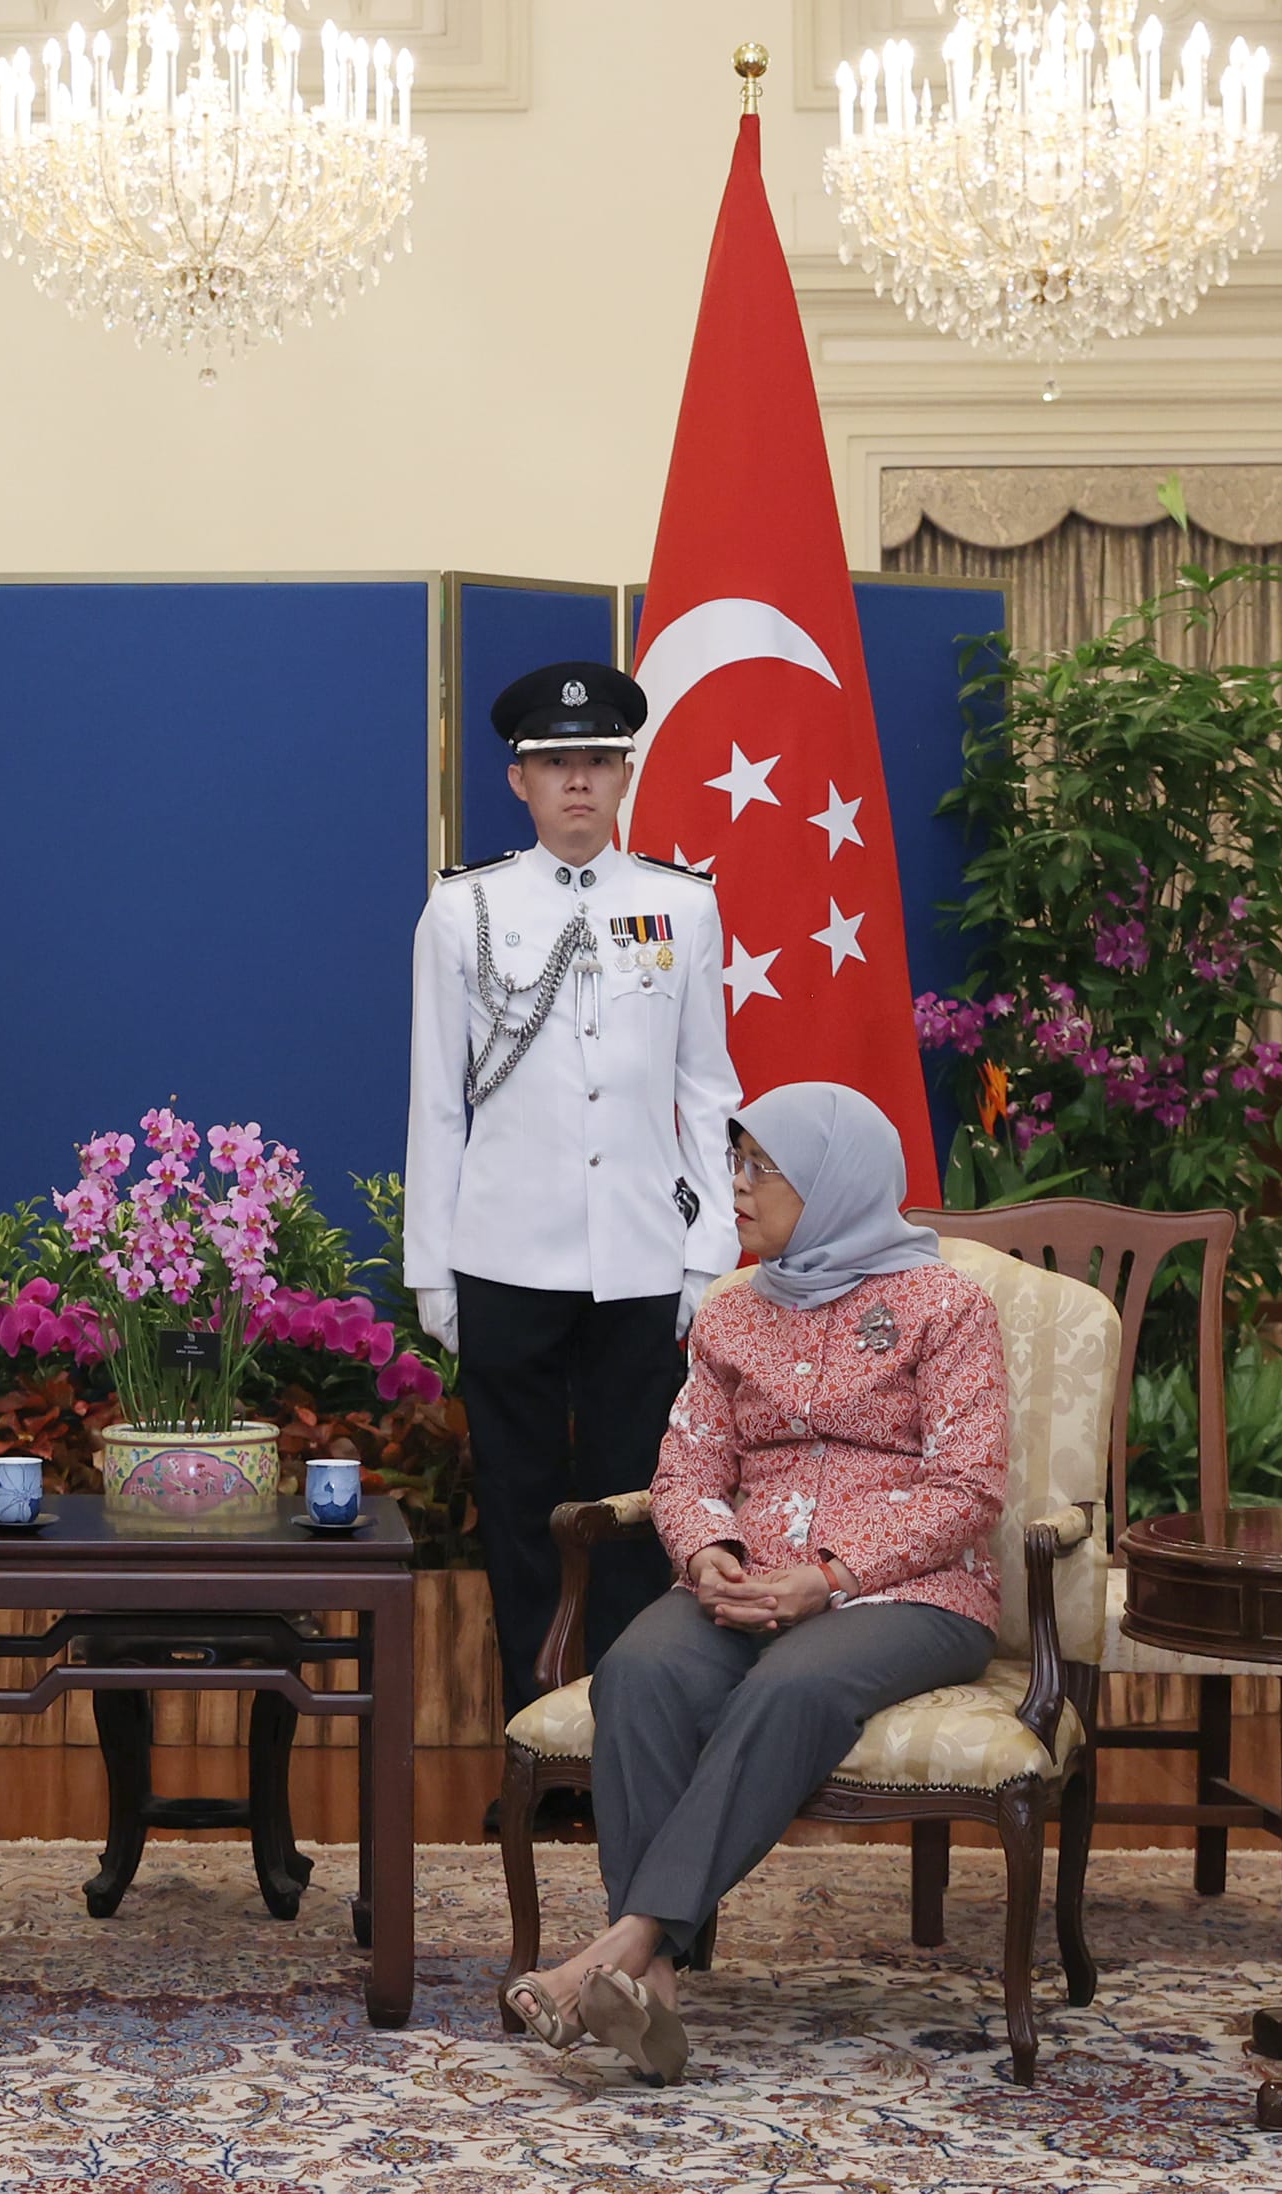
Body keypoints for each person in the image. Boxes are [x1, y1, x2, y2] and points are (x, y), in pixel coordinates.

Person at [500, 1080, 1007, 2083]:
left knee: (792, 1685)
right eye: (733, 1164)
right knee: (638, 1669)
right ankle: (656, 2002)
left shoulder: (947, 1307)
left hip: (912, 1593)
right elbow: (685, 1471)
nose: (735, 1188)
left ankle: (627, 1944)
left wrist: (825, 1578)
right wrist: (708, 1555)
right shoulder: (734, 1316)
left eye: (757, 1167)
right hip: (747, 1583)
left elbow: (970, 1486)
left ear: (830, 1181)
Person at [405, 659, 741, 1826]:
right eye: (557, 764)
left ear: (626, 773)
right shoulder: (467, 908)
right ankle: (532, 1760)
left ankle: (624, 1763)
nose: (579, 782)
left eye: (598, 761)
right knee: (519, 1513)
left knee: (638, 1513)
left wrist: (711, 1256)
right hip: (504, 1252)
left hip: (644, 1257)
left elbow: (707, 1090)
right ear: (520, 780)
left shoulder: (683, 903)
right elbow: (436, 1102)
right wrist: (431, 1269)